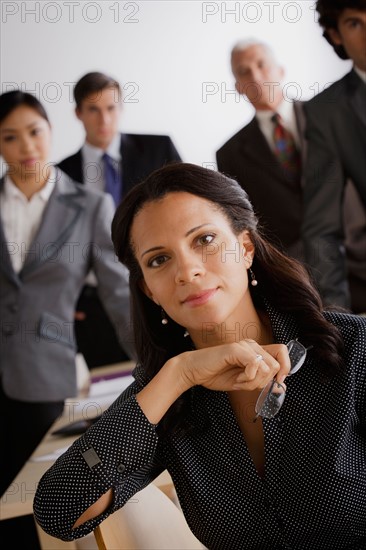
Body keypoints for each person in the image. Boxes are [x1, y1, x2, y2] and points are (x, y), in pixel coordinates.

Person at [34, 163, 365, 549]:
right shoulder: (167, 392)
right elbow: (58, 510)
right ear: (149, 291)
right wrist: (179, 374)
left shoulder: (351, 346)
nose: (187, 271)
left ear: (245, 248)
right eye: (159, 260)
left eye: (204, 240)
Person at [0, 90, 135, 504]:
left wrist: (151, 360)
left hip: (46, 370)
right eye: (9, 137)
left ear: (51, 131)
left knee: (39, 497)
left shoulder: (89, 204)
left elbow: (117, 290)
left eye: (34, 132)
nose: (26, 147)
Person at [58, 71, 182, 368]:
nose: (104, 120)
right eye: (94, 110)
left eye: (111, 108)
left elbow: (185, 210)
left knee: (172, 374)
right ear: (78, 113)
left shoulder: (158, 149)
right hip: (95, 305)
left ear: (121, 108)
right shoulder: (61, 175)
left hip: (160, 286)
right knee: (112, 395)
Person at [302, 0, 366, 312]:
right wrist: (338, 320)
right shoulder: (327, 111)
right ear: (336, 34)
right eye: (355, 23)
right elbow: (322, 229)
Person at [216, 40, 305, 261]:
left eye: (261, 64)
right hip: (294, 267)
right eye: (244, 72)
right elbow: (246, 224)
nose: (255, 77)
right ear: (238, 87)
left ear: (280, 70)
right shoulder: (229, 155)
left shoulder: (330, 116)